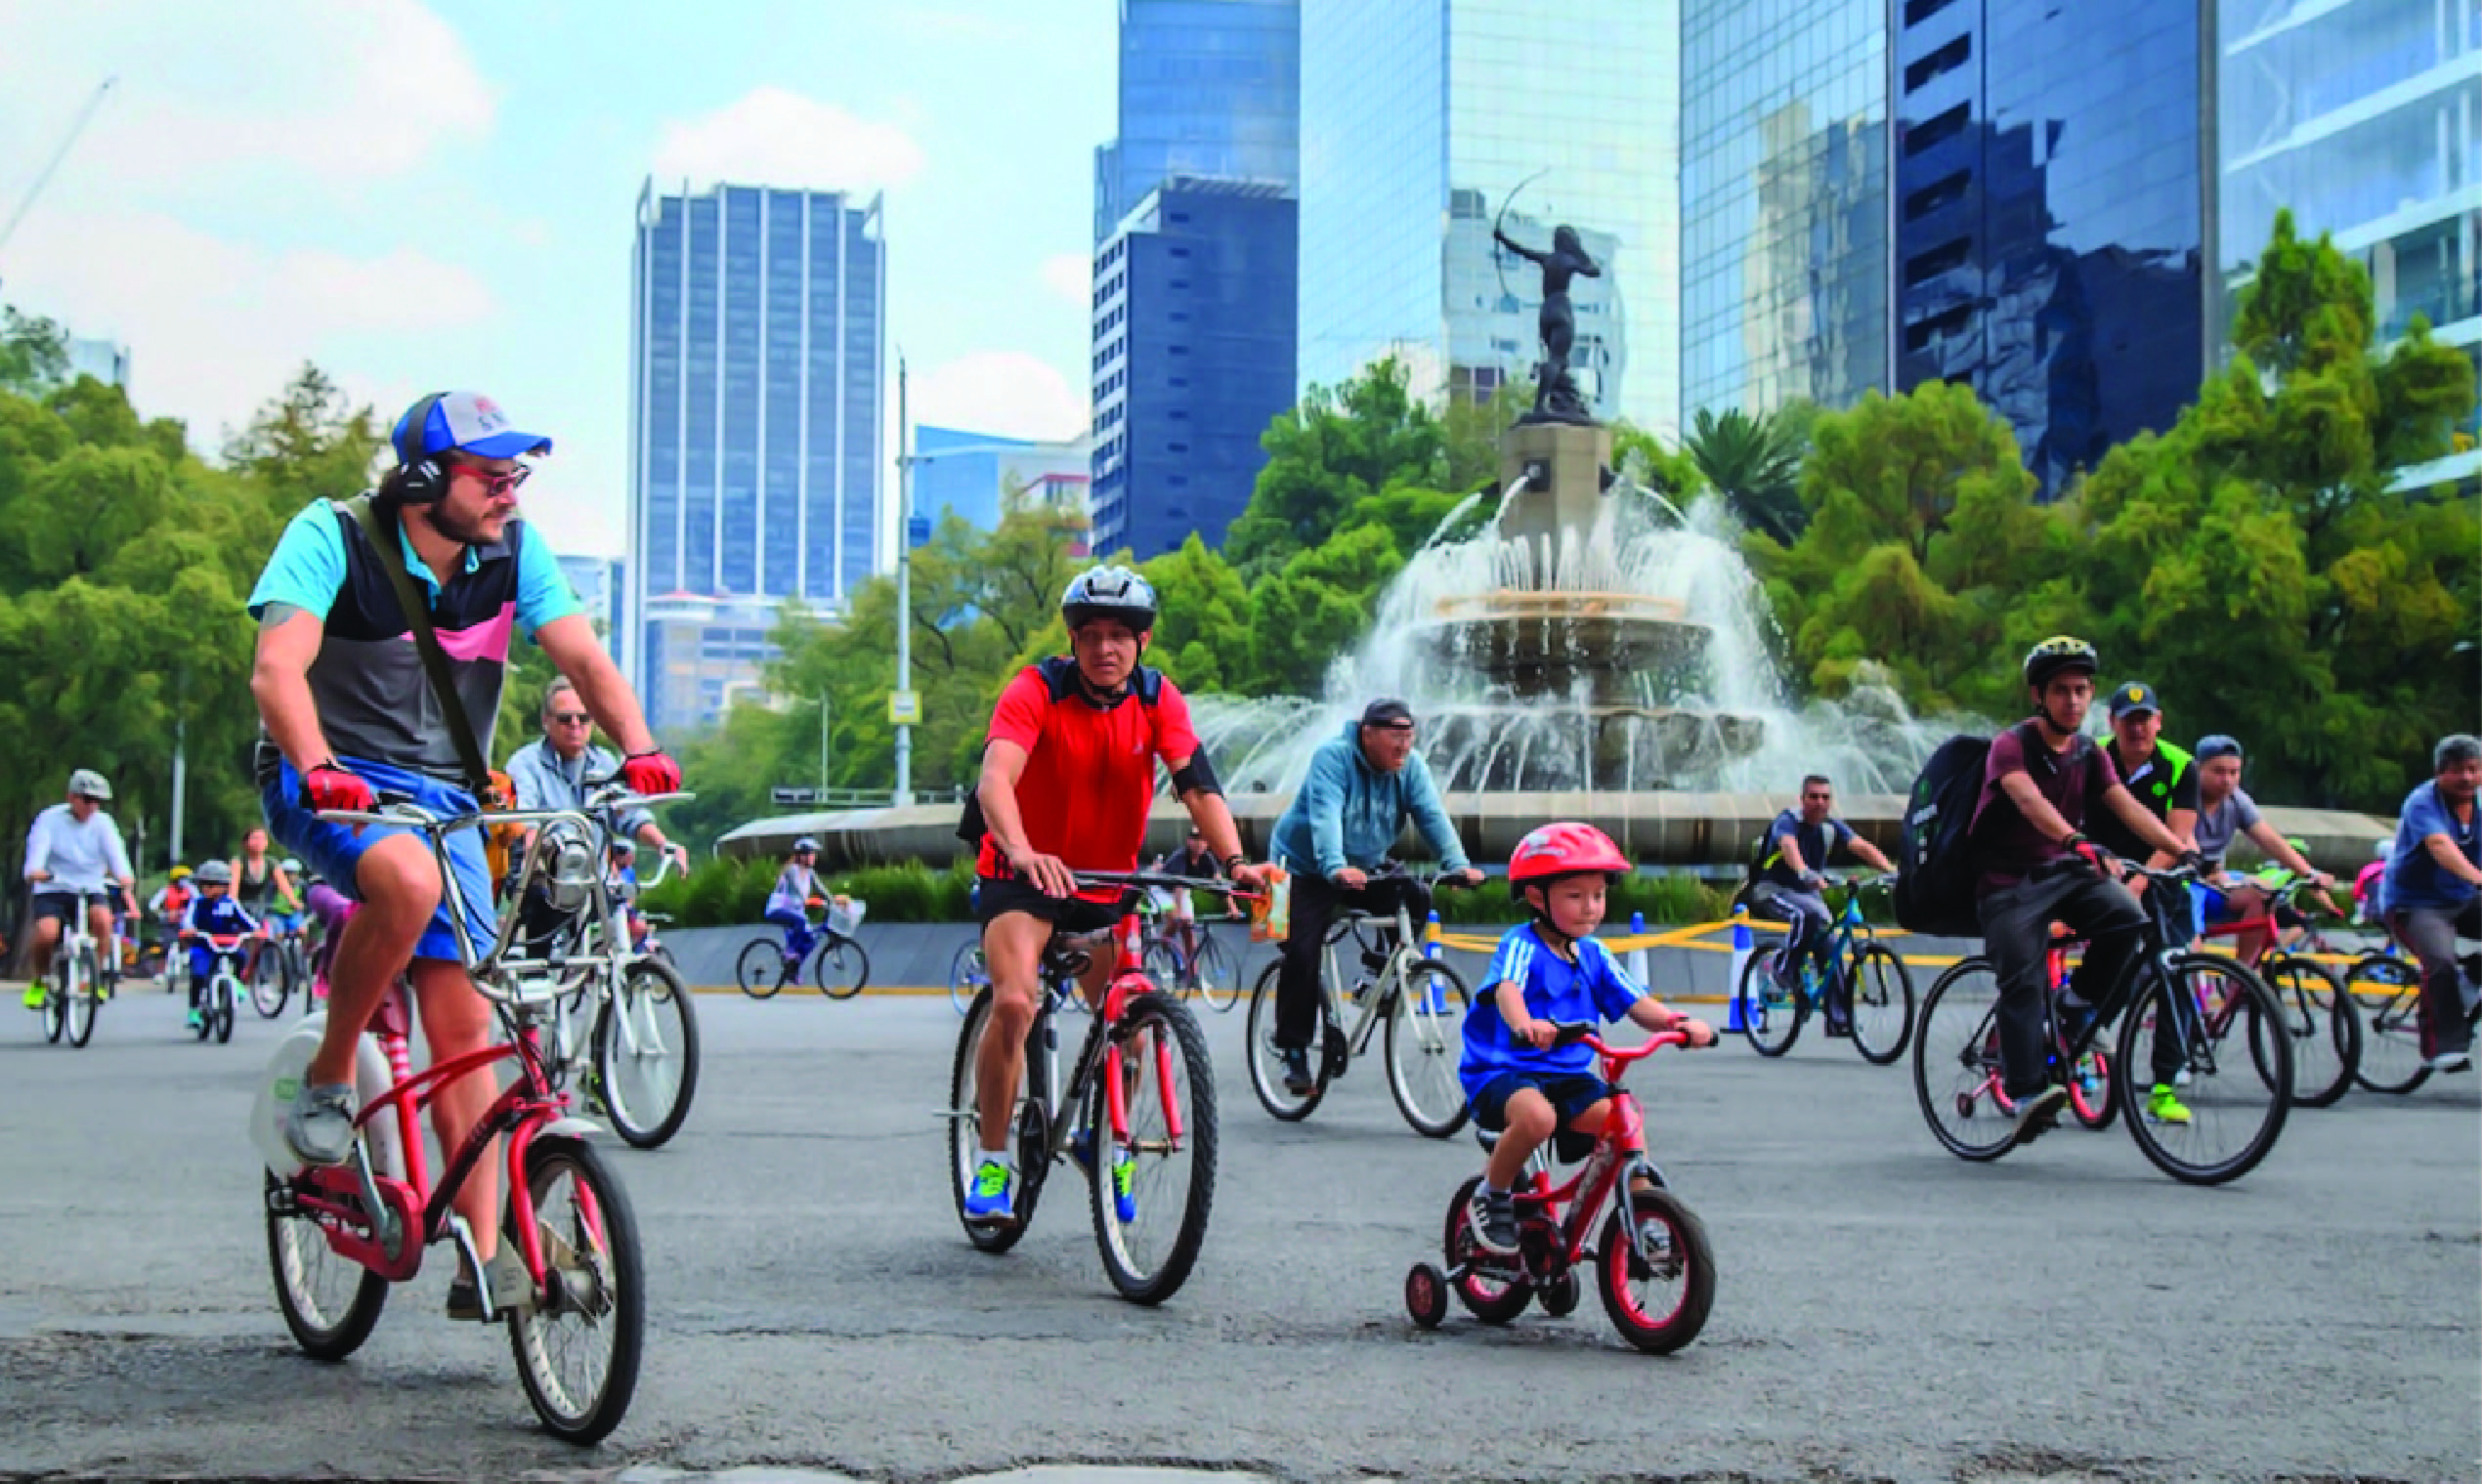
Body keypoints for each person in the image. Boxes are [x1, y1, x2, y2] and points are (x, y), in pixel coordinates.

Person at [248, 389, 683, 1322]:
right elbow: (278, 667)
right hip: (330, 779)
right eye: (490, 476)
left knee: (468, 1033)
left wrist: (639, 747)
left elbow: (584, 659)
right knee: (402, 880)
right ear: (420, 479)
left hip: (446, 799)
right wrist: (317, 764)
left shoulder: (514, 553)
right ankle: (330, 1075)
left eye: (514, 475)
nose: (509, 494)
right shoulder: (332, 536)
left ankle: (485, 1258)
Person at [962, 565, 1268, 1228]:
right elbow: (996, 780)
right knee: (1016, 1002)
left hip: (1105, 883)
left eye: (1120, 635)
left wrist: (1236, 861)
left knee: (1127, 1024)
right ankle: (991, 1157)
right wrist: (1020, 849)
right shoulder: (1035, 689)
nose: (1106, 648)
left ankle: (1099, 1136)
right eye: (1092, 634)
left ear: (1143, 641)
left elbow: (1198, 785)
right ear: (1073, 641)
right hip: (1022, 872)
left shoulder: (1160, 700)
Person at [1972, 637, 2196, 1141]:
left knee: (2128, 919)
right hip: (2008, 881)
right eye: (2061, 691)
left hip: (2062, 872)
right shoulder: (2011, 746)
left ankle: (2074, 1010)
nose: (2073, 701)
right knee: (2024, 978)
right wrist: (2075, 838)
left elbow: (2126, 806)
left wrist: (2180, 849)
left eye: (2081, 690)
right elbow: (2029, 801)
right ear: (2038, 696)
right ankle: (2027, 1090)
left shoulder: (2090, 753)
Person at [1458, 823, 1715, 1254]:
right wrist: (1525, 1024)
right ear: (1537, 897)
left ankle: (1641, 1204)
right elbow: (1508, 989)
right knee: (1538, 1119)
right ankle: (1492, 1193)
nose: (1590, 908)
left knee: (1623, 1116)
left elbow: (1635, 1001)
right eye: (1575, 896)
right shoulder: (1521, 944)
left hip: (1567, 1074)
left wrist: (1678, 1023)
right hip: (1505, 1071)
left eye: (1598, 895)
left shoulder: (1594, 954)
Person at [1265, 700, 1486, 1094]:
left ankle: (1376, 977)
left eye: (1409, 736)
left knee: (1416, 897)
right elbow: (1326, 816)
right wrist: (1334, 866)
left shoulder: (1410, 768)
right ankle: (1294, 1050)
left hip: (1363, 864)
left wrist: (1457, 863)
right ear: (1368, 734)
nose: (1404, 747)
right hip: (1302, 866)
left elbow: (1432, 816)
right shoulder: (1333, 758)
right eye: (1395, 737)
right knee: (1301, 951)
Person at [505, 677, 693, 927]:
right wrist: (532, 845)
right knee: (543, 936)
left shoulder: (604, 762)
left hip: (595, 881)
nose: (575, 725)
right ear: (546, 721)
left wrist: (663, 845)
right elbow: (524, 818)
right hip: (545, 881)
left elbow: (629, 814)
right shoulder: (526, 763)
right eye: (565, 718)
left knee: (617, 923)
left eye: (583, 718)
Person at [1747, 774, 1895, 1035]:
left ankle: (1838, 1020)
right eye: (1813, 797)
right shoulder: (1788, 821)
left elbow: (1861, 846)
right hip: (1774, 889)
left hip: (1807, 893)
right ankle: (1782, 973)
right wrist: (1804, 871)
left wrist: (1891, 871)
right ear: (1802, 799)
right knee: (1807, 916)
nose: (1819, 802)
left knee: (1832, 945)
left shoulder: (1831, 827)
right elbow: (1788, 845)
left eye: (1825, 797)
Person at [2186, 735, 2336, 964]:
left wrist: (2309, 873)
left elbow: (2269, 838)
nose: (2226, 780)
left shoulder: (2237, 801)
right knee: (2190, 942)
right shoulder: (2184, 796)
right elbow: (2182, 839)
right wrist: (2203, 869)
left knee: (2263, 893)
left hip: (2216, 882)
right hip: (2184, 882)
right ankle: (2188, 985)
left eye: (2233, 773)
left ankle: (2243, 978)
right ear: (2197, 769)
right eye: (2218, 771)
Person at [2380, 734, 2482, 1073]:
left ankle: (2473, 978)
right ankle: (2443, 1046)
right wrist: (2479, 878)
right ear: (2440, 772)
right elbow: (2441, 847)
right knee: (2440, 961)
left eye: (2473, 769)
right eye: (2457, 770)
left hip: (2465, 898)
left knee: (2458, 973)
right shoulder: (2423, 802)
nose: (2467, 777)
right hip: (2416, 903)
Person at [21, 769, 139, 1008]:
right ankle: (40, 981)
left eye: (97, 801)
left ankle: (94, 977)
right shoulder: (50, 819)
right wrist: (35, 871)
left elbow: (116, 854)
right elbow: (37, 851)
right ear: (71, 797)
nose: (92, 806)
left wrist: (125, 877)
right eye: (87, 800)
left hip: (90, 886)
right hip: (53, 885)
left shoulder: (104, 824)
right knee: (46, 933)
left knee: (103, 921)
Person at [2083, 681, 2199, 894]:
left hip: (2159, 877)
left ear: (2158, 721)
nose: (2137, 729)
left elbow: (2178, 836)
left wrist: (2139, 883)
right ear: (2112, 721)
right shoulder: (2089, 756)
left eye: (2143, 720)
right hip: (2096, 873)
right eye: (2128, 721)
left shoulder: (2182, 765)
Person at [178, 860, 262, 1032]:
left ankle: (237, 983)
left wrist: (256, 930)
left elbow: (247, 921)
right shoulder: (197, 903)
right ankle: (194, 1010)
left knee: (241, 956)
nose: (207, 888)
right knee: (199, 974)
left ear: (224, 886)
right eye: (203, 884)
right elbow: (187, 920)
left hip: (227, 944)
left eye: (212, 884)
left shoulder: (230, 904)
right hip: (204, 945)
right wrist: (189, 930)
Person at [763, 838, 826, 971]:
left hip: (795, 911)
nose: (813, 857)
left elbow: (821, 890)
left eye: (813, 854)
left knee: (811, 939)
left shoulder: (810, 873)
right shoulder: (792, 870)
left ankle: (792, 969)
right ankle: (790, 952)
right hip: (778, 909)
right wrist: (811, 901)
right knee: (800, 921)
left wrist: (834, 902)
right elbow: (798, 890)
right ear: (801, 856)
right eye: (810, 854)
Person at [147, 866, 196, 983]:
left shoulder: (191, 890)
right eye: (183, 878)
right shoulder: (166, 891)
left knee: (190, 939)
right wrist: (161, 914)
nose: (185, 881)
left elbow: (198, 902)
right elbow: (153, 905)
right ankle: (160, 973)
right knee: (164, 946)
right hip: (168, 922)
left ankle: (186, 955)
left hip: (185, 923)